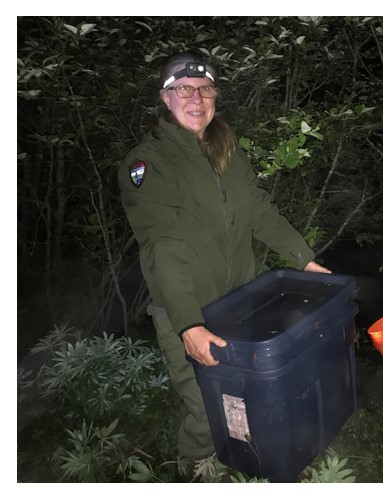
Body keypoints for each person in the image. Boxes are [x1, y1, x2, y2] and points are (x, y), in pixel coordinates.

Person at [118, 52, 331, 463]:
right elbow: (162, 246)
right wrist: (188, 324)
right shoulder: (148, 163)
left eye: (205, 89)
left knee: (241, 394)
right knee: (205, 406)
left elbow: (259, 211)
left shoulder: (226, 150)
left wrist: (304, 259)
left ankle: (239, 461)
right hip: (189, 309)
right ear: (165, 98)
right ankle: (194, 466)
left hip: (239, 301)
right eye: (184, 89)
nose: (196, 98)